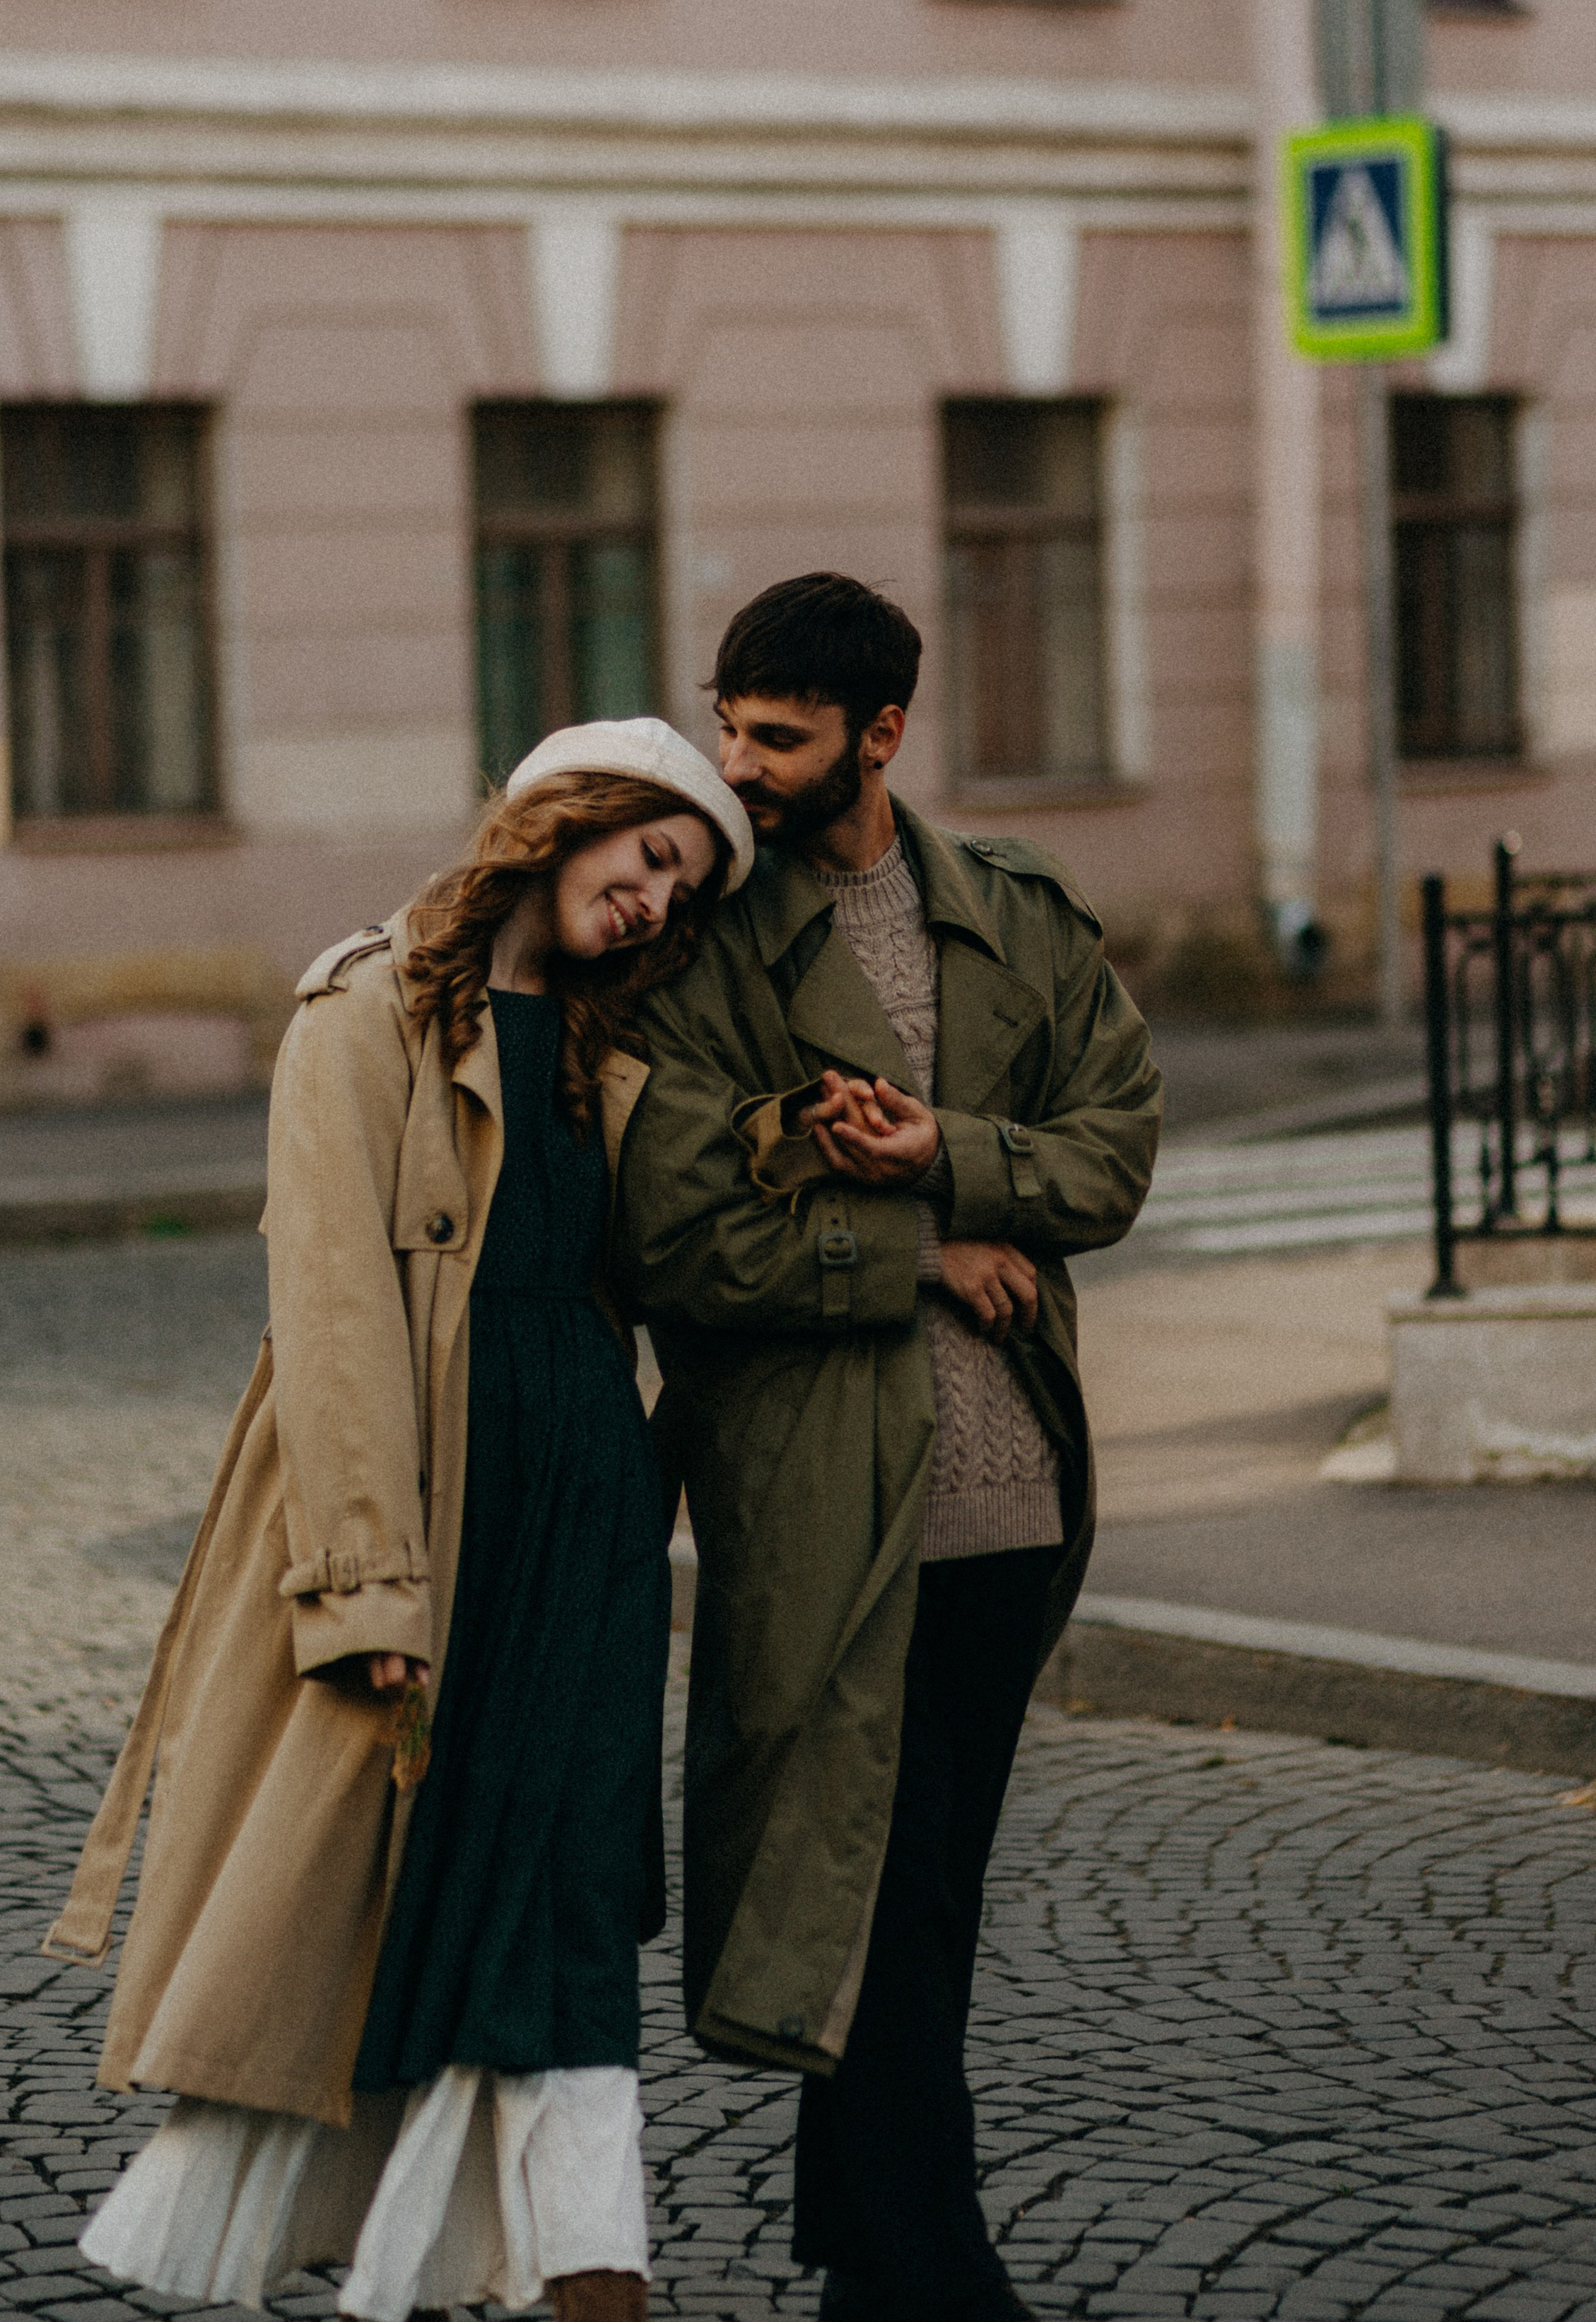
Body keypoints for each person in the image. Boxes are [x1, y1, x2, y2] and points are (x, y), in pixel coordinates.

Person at [42, 717, 753, 2322]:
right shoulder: (363, 1009)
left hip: (585, 1521)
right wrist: (366, 1593)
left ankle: (589, 2277)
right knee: (408, 1899)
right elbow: (336, 1319)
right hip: (435, 1520)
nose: (654, 903)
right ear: (564, 821)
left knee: (570, 1889)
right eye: (647, 859)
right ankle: (465, 2267)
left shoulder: (606, 1037)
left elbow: (684, 1249)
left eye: (682, 891)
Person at [614, 577, 1161, 2322]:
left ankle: (873, 2263)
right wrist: (917, 1250)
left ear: (879, 733)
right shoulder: (696, 944)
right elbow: (679, 1240)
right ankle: (939, 2271)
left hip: (1010, 1509)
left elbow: (1113, 1157)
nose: (735, 766)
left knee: (923, 1897)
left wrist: (944, 1150)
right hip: (822, 1512)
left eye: (773, 736)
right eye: (729, 725)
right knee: (880, 1898)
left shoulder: (1012, 915)